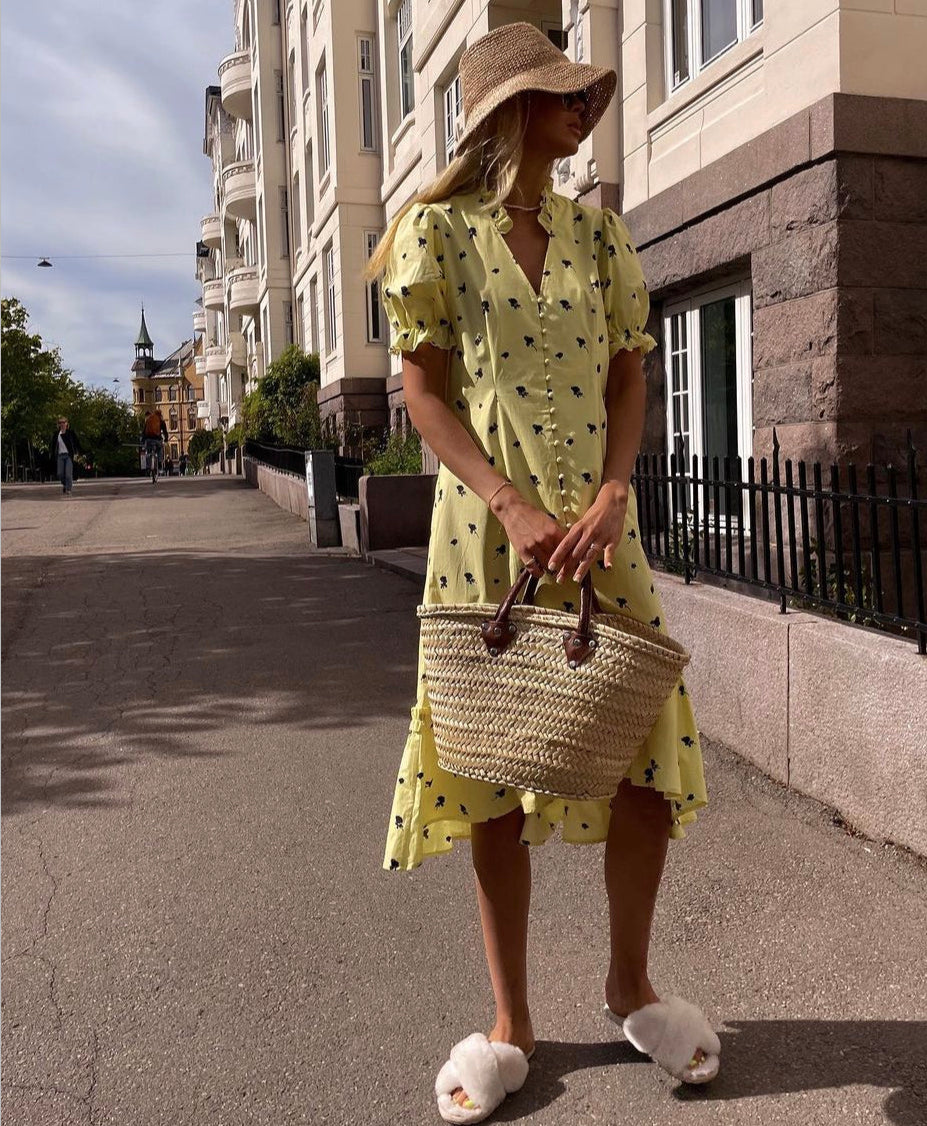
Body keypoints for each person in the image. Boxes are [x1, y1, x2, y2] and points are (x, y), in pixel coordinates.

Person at [368, 23, 716, 1123]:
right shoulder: (437, 235)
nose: (586, 110)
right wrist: (509, 503)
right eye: (564, 97)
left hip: (601, 534)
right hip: (487, 533)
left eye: (587, 96)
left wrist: (616, 490)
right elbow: (422, 391)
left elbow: (629, 377)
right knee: (489, 775)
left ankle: (630, 984)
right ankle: (512, 1021)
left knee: (643, 764)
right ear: (510, 113)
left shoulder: (600, 236)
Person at [53, 417, 80, 497]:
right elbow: (53, 446)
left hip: (68, 456)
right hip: (60, 456)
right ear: (58, 424)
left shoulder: (70, 433)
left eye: (63, 422)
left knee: (68, 474)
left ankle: (68, 489)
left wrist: (77, 453)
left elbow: (76, 443)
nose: (62, 424)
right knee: (60, 473)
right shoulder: (57, 434)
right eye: (60, 423)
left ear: (67, 423)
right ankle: (64, 484)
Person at [140, 410, 167, 483]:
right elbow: (165, 431)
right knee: (160, 449)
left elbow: (144, 431)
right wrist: (166, 439)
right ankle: (160, 464)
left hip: (148, 440)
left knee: (148, 452)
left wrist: (142, 441)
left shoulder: (148, 420)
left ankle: (148, 467)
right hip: (157, 440)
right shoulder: (160, 420)